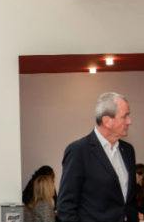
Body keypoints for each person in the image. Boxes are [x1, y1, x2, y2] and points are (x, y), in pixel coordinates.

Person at [56, 92, 137, 222]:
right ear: (107, 121)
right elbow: (65, 206)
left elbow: (129, 201)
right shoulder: (78, 151)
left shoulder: (128, 150)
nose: (129, 121)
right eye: (124, 116)